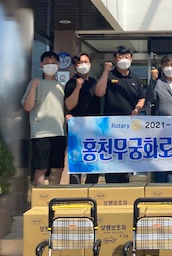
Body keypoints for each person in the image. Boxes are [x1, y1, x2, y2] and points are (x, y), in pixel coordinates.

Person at [95, 45, 146, 183]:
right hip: (110, 126)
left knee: (125, 161)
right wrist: (106, 71)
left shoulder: (136, 78)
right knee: (112, 161)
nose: (124, 59)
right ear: (115, 59)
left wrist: (137, 108)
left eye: (127, 57)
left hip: (128, 126)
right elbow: (99, 92)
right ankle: (111, 187)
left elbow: (141, 98)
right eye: (120, 57)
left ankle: (124, 187)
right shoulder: (109, 76)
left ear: (131, 59)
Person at [22, 51, 66, 187]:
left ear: (58, 65)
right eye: (47, 63)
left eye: (53, 63)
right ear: (41, 65)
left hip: (59, 132)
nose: (50, 65)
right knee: (41, 167)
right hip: (41, 133)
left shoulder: (62, 86)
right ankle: (41, 195)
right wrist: (33, 88)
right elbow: (28, 107)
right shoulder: (35, 83)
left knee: (58, 167)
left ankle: (54, 193)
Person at [147, 54, 172, 183]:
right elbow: (149, 98)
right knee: (161, 161)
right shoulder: (158, 83)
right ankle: (159, 189)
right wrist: (153, 81)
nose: (169, 68)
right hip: (161, 130)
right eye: (166, 65)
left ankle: (171, 188)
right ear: (162, 67)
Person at [64, 52, 100, 184]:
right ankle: (75, 189)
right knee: (77, 158)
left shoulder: (94, 82)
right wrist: (78, 87)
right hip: (77, 126)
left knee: (93, 159)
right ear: (74, 66)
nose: (83, 65)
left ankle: (92, 186)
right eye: (79, 62)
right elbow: (69, 105)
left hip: (93, 125)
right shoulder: (71, 83)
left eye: (86, 62)